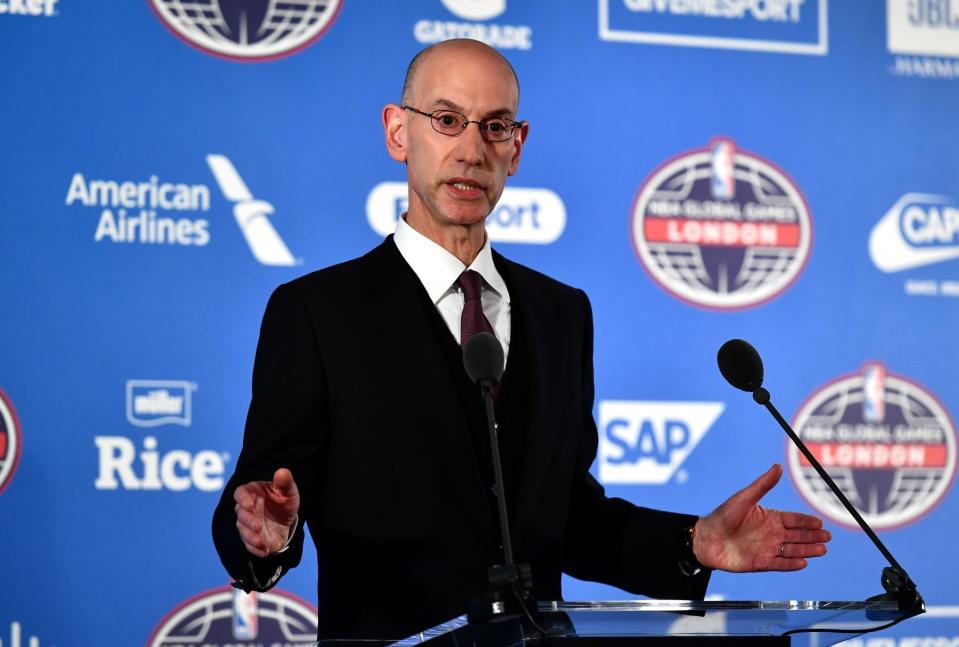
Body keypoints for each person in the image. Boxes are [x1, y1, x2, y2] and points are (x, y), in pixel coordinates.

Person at [212, 39, 831, 641]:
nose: (472, 149)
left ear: (517, 147)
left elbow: (570, 517)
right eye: (448, 120)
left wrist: (694, 543)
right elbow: (261, 500)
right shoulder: (317, 312)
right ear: (399, 132)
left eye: (496, 126)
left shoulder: (561, 313)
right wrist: (267, 534)